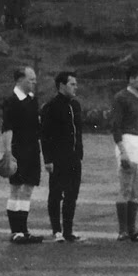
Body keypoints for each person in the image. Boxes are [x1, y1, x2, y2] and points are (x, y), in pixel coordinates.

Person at [0, 65, 45, 244]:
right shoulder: (12, 101)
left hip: (33, 149)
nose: (34, 82)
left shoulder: (32, 100)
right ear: (19, 80)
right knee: (16, 189)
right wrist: (7, 153)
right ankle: (15, 231)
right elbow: (7, 128)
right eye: (30, 79)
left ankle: (23, 230)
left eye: (34, 79)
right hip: (18, 150)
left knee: (28, 189)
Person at [40, 70, 84, 244]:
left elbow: (78, 132)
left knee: (72, 194)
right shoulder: (51, 106)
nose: (75, 87)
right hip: (58, 157)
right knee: (56, 193)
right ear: (61, 86)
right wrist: (48, 159)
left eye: (76, 84)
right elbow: (45, 135)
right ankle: (56, 230)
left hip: (74, 157)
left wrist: (79, 152)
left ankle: (68, 230)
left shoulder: (76, 105)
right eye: (72, 84)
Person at [109, 66, 138, 242]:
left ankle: (133, 230)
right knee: (126, 187)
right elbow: (116, 125)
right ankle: (123, 231)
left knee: (137, 189)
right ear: (131, 79)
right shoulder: (121, 98)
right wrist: (122, 151)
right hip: (128, 141)